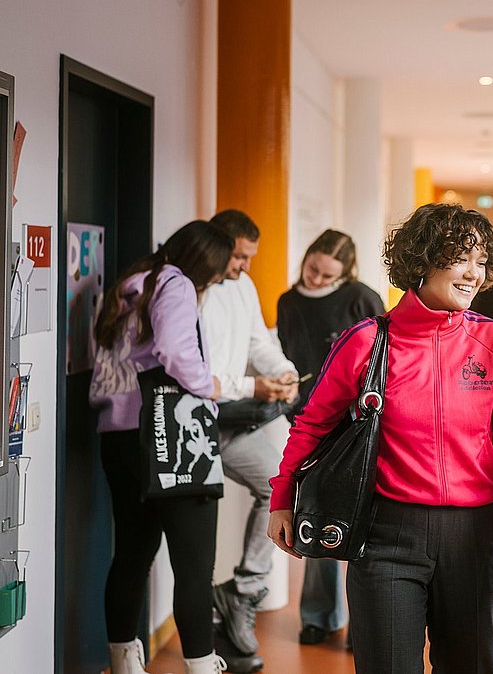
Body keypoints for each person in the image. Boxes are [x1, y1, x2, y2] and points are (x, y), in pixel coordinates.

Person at [268, 203, 493, 673]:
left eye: (482, 261)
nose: (475, 273)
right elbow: (312, 424)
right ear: (423, 260)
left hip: (470, 537)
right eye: (461, 258)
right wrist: (282, 497)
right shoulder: (366, 340)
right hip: (384, 534)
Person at [89, 220, 233, 674]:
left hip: (119, 436)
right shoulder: (176, 285)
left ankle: (125, 664)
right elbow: (173, 348)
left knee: (132, 553)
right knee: (193, 565)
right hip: (170, 437)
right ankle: (201, 666)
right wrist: (206, 385)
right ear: (204, 265)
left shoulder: (127, 288)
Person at [199, 209, 299, 668]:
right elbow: (199, 374)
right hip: (197, 423)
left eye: (248, 257)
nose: (244, 266)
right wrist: (254, 386)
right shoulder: (192, 290)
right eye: (239, 256)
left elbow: (257, 340)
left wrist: (280, 370)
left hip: (235, 418)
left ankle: (241, 593)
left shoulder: (242, 284)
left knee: (285, 490)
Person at [276, 229, 385, 646]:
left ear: (346, 273)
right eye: (313, 270)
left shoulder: (362, 298)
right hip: (310, 419)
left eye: (327, 275)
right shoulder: (288, 302)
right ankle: (318, 615)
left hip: (360, 423)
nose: (318, 280)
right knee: (315, 515)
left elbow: (382, 357)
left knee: (367, 521)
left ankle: (366, 621)